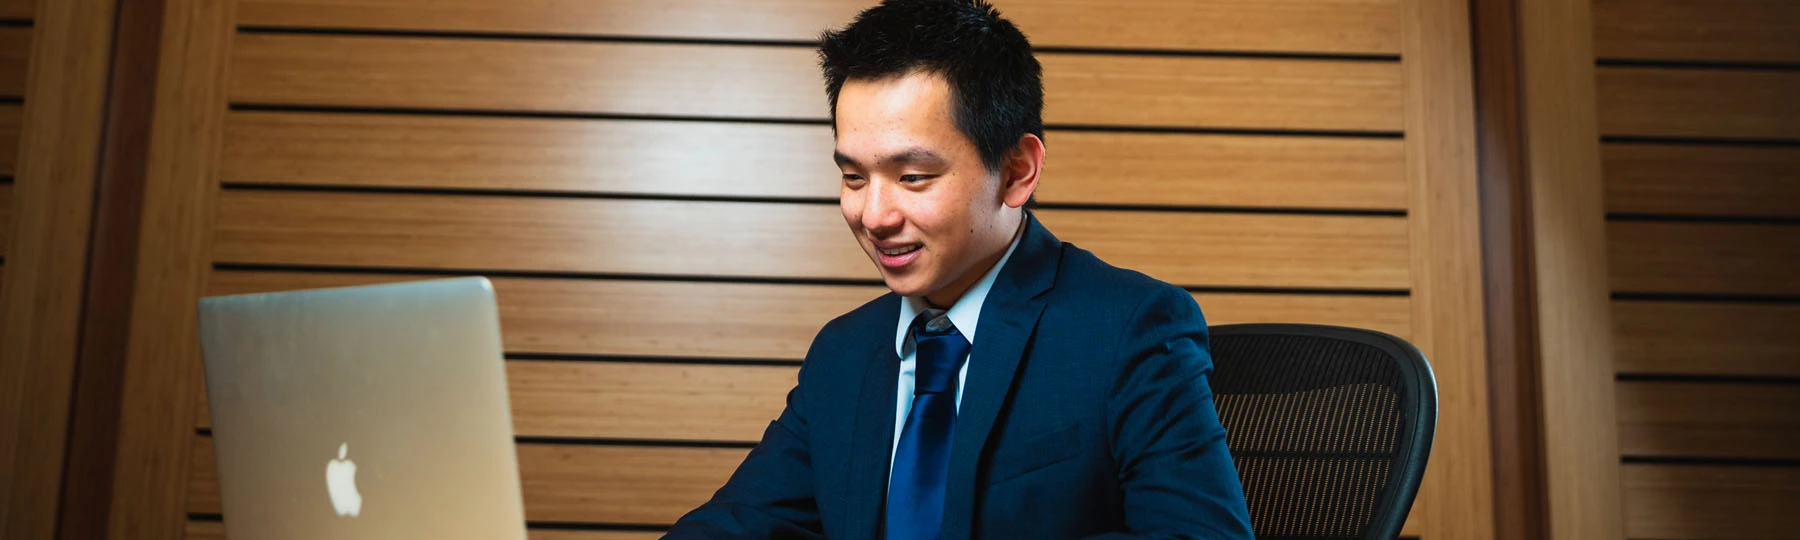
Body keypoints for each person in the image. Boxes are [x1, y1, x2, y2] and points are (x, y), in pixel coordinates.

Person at [664, 1, 1253, 538]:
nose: (873, 215)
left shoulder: (1131, 327)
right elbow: (740, 523)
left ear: (1018, 171)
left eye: (912, 177)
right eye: (852, 177)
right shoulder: (844, 353)